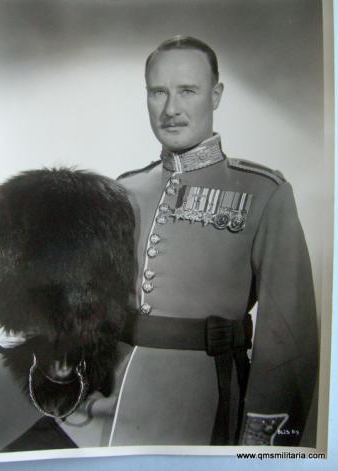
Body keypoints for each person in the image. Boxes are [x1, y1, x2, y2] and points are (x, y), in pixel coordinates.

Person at [111, 36, 318, 446]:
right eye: (158, 92)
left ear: (216, 95)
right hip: (116, 402)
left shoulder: (264, 192)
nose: (171, 109)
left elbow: (288, 337)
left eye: (187, 91)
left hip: (211, 401)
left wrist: (261, 443)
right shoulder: (123, 190)